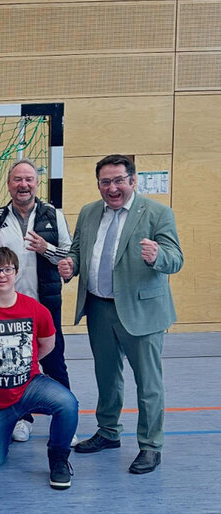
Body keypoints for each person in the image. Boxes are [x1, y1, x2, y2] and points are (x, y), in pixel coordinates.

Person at [58, 154, 183, 474]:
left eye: (118, 181)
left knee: (148, 382)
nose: (112, 188)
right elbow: (77, 250)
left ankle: (151, 445)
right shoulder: (88, 213)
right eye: (105, 182)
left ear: (132, 180)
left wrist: (158, 256)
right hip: (99, 307)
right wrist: (71, 265)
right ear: (98, 183)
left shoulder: (157, 213)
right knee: (107, 375)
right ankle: (109, 431)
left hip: (142, 310)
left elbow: (175, 259)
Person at [0, 247, 79, 489]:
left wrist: (23, 367)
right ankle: (6, 426)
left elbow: (47, 345)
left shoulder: (34, 308)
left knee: (68, 404)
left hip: (30, 386)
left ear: (16, 273)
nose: (2, 275)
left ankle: (59, 459)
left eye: (7, 269)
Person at [0, 157, 73, 444]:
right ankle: (22, 418)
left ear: (36, 183)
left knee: (54, 360)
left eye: (28, 179)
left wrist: (47, 249)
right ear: (9, 184)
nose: (23, 184)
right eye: (17, 179)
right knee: (13, 363)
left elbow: (69, 257)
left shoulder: (53, 215)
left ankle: (64, 422)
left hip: (44, 303)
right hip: (7, 308)